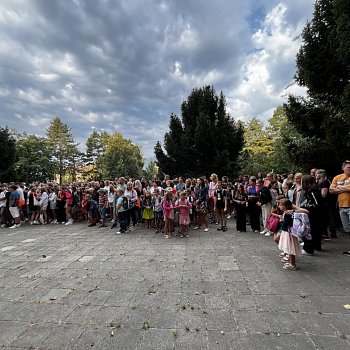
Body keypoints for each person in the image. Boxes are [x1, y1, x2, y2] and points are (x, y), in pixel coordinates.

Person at [278, 198, 309, 270]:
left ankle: (292, 264)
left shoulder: (288, 213)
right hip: (286, 232)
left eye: (280, 205)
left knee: (290, 248)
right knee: (289, 248)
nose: (279, 206)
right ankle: (291, 261)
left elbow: (288, 223)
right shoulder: (286, 212)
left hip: (288, 233)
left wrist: (282, 221)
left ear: (286, 206)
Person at [330, 160, 350, 255]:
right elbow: (331, 190)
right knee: (347, 229)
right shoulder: (337, 177)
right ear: (343, 168)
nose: (349, 169)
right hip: (342, 206)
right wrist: (346, 188)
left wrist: (338, 187)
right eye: (348, 167)